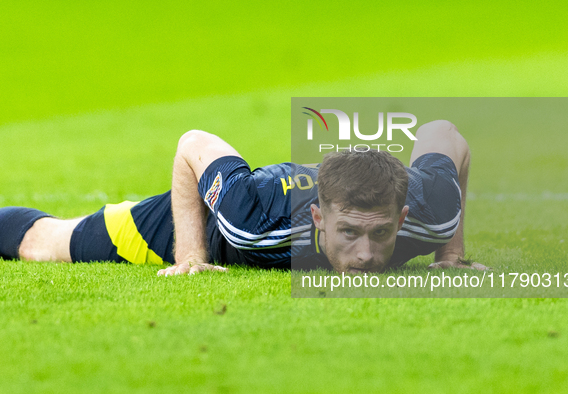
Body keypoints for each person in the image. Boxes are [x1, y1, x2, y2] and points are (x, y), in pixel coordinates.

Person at [0, 120, 486, 275]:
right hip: (200, 222)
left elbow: (444, 133)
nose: (366, 253)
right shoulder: (253, 217)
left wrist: (451, 253)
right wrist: (191, 256)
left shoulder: (432, 205)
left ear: (402, 218)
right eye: (349, 232)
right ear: (318, 217)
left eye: (379, 233)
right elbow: (193, 143)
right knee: (44, 243)